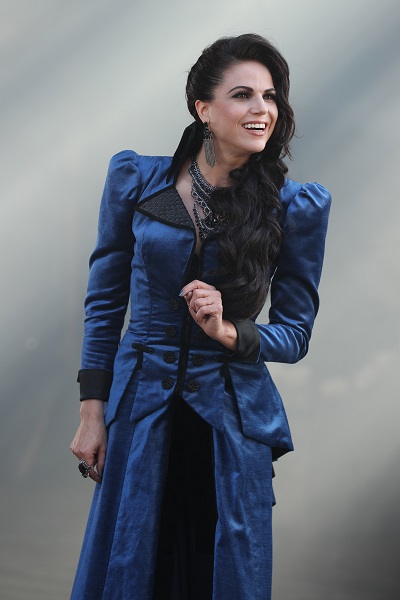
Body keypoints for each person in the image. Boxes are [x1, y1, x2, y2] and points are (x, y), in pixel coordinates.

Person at [70, 33, 331, 600]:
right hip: (139, 410)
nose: (262, 109)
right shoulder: (136, 180)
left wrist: (230, 330)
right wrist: (93, 412)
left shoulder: (295, 206)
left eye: (270, 96)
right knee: (130, 565)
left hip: (231, 422)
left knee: (222, 575)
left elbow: (295, 334)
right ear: (203, 109)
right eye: (243, 95)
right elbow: (105, 302)